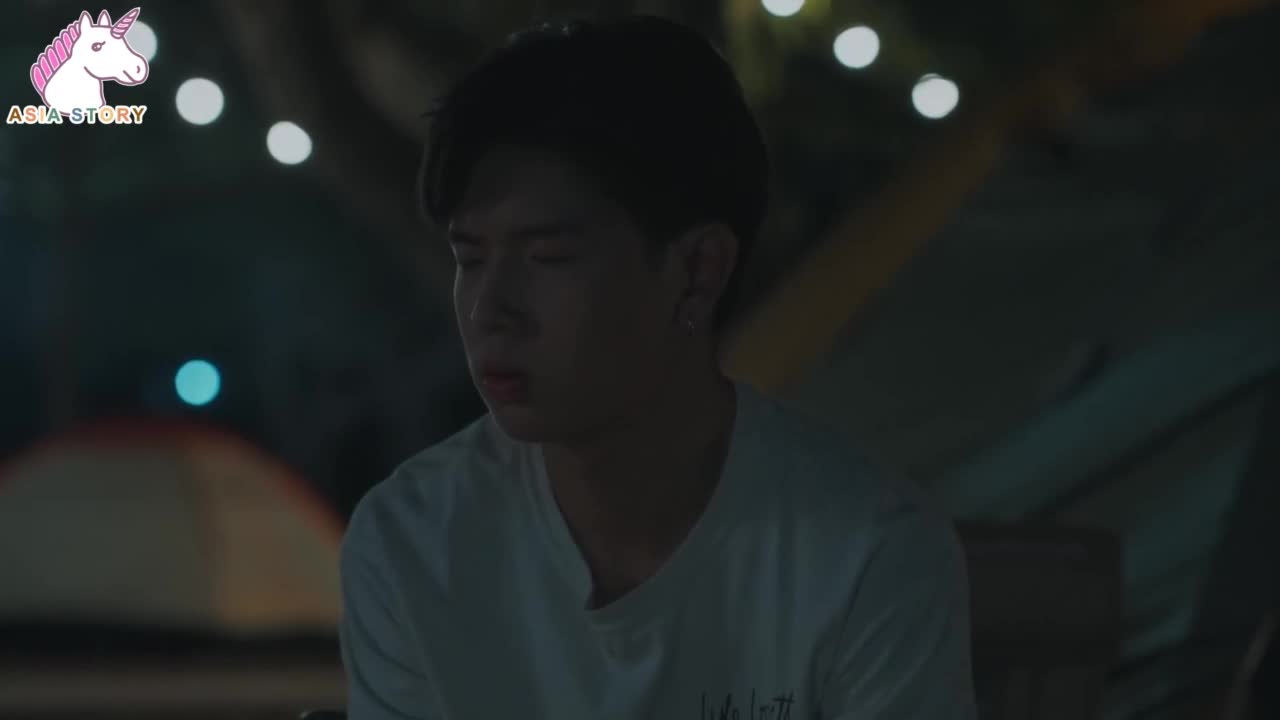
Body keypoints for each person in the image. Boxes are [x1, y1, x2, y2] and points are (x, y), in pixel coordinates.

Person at [338, 14, 976, 719]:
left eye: (547, 257)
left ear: (698, 271)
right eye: (470, 258)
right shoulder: (414, 541)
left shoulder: (861, 550)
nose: (491, 310)